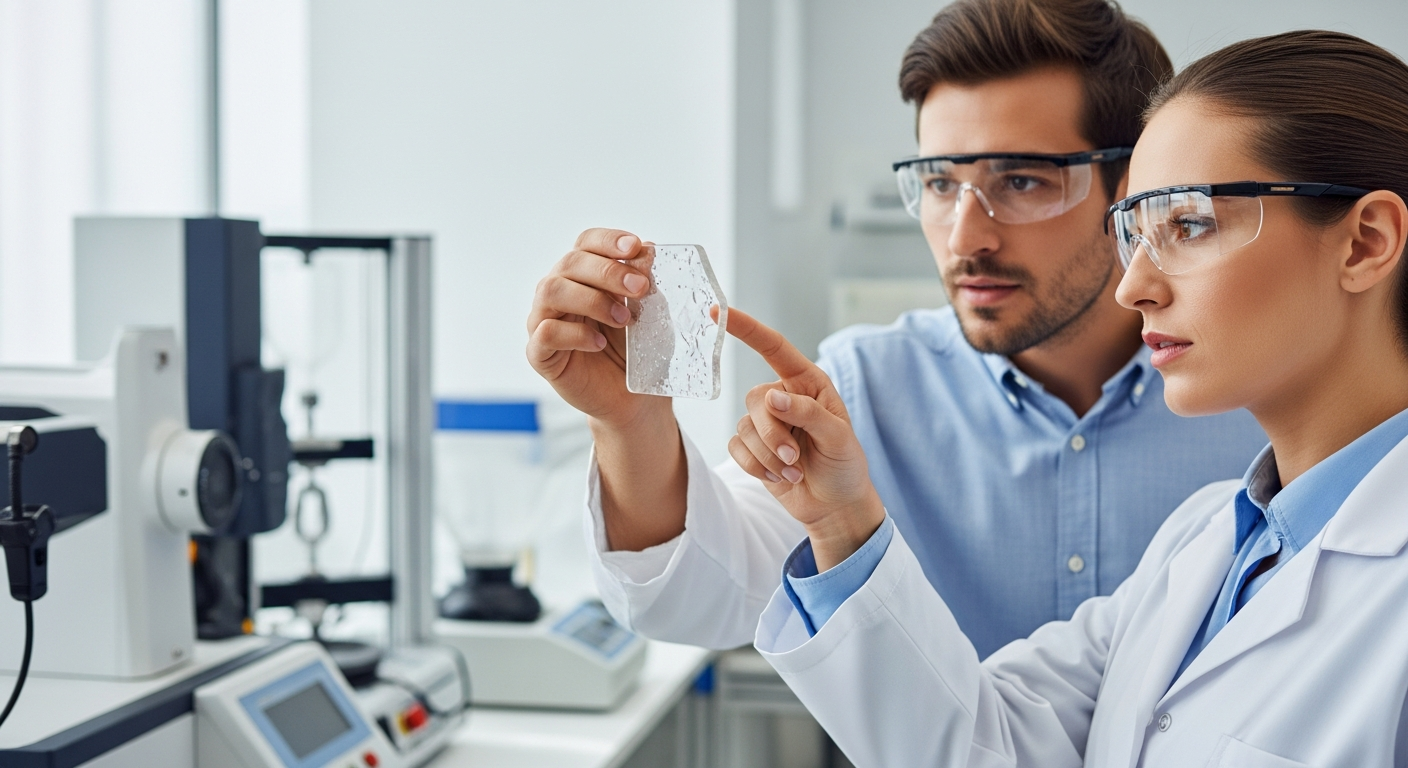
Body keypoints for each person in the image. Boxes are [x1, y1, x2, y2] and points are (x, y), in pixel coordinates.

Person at [728, 28, 1408, 767]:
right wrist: (840, 520)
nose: (1133, 287)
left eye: (1189, 225)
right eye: (1137, 232)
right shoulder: (1203, 543)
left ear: (1365, 242)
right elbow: (981, 743)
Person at [525, 0, 1266, 658]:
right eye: (941, 183)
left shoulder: (1260, 397)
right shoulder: (863, 389)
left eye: (1022, 181)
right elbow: (692, 598)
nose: (966, 236)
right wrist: (628, 422)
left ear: (1132, 186)